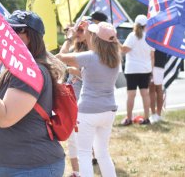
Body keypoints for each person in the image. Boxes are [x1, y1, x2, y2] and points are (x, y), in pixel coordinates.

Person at [0, 10, 66, 177]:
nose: (7, 36)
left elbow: (5, 117)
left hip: (33, 167)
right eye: (7, 31)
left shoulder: (31, 72)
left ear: (31, 36)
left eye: (14, 31)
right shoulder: (17, 69)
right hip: (19, 166)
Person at [56, 22, 120, 177]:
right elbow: (94, 75)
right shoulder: (115, 58)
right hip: (108, 110)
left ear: (97, 39)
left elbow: (59, 57)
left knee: (84, 154)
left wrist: (69, 39)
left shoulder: (90, 57)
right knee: (103, 154)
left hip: (88, 112)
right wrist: (78, 72)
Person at [61, 20, 89, 177]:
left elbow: (91, 75)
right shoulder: (74, 48)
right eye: (75, 30)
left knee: (84, 139)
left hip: (84, 101)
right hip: (71, 99)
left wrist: (75, 71)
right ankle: (77, 172)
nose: (76, 34)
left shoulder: (92, 51)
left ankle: (85, 169)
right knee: (72, 138)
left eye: (80, 31)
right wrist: (69, 38)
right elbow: (61, 55)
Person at [121, 14, 154, 126]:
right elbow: (152, 56)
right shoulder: (149, 36)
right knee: (145, 94)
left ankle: (129, 119)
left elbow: (124, 50)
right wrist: (151, 70)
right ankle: (146, 118)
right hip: (145, 69)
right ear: (146, 25)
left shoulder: (132, 36)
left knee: (131, 95)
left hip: (132, 69)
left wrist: (116, 42)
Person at [149, 49, 168, 123]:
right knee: (155, 89)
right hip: (159, 62)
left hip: (156, 63)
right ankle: (155, 114)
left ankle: (156, 114)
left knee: (154, 89)